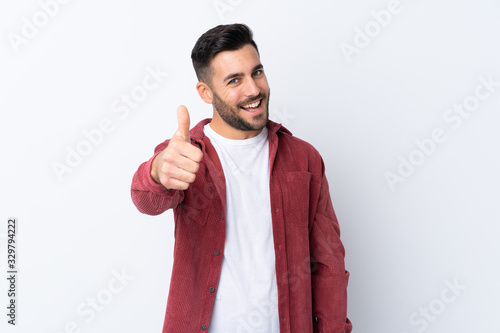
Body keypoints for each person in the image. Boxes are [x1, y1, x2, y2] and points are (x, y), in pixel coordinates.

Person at [131, 23, 352, 333]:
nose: (253, 89)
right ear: (205, 92)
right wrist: (156, 170)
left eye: (257, 73)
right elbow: (146, 199)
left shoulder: (303, 158)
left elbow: (328, 264)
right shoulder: (186, 155)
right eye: (235, 80)